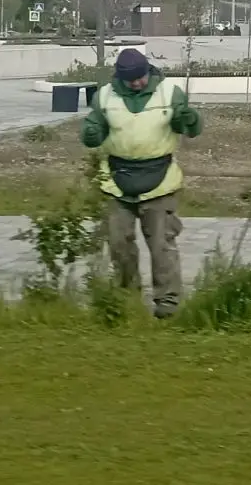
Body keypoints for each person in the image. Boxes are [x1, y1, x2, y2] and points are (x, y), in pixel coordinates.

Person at [80, 48, 202, 317]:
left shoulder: (169, 93)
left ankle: (167, 303)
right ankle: (128, 297)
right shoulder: (104, 97)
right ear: (121, 78)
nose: (137, 82)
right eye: (131, 79)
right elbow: (93, 134)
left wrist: (190, 119)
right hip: (116, 180)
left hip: (160, 180)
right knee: (118, 243)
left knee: (161, 245)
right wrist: (90, 133)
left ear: (148, 71)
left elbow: (191, 128)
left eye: (141, 77)